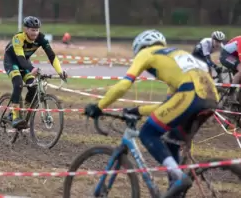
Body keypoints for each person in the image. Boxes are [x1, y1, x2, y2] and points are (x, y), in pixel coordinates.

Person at [84, 29, 219, 197]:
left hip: (191, 94)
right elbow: (169, 106)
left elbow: (124, 85)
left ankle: (178, 178)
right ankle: (175, 191)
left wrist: (99, 106)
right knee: (171, 140)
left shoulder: (146, 53)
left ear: (140, 47)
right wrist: (137, 110)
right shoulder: (177, 56)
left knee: (148, 132)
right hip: (211, 97)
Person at [3, 16, 67, 129]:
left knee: (33, 86)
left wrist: (60, 72)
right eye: (33, 30)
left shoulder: (41, 38)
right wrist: (32, 68)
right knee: (18, 83)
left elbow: (51, 56)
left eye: (37, 30)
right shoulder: (18, 38)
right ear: (26, 29)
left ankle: (24, 112)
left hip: (25, 63)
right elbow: (20, 58)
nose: (35, 33)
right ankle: (15, 116)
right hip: (12, 61)